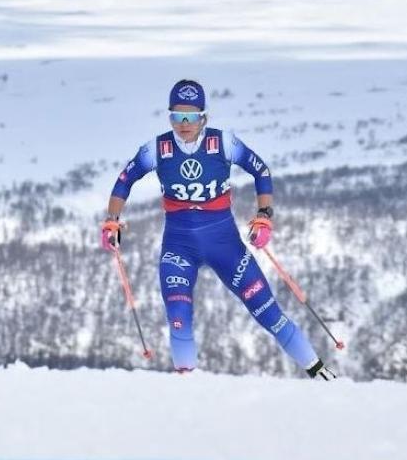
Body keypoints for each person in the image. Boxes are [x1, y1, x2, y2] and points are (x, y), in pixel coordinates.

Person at [100, 79, 337, 379]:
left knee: (268, 313)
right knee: (178, 317)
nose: (183, 124)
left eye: (190, 117)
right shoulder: (157, 149)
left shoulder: (223, 143)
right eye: (176, 116)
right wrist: (112, 220)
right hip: (178, 247)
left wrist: (264, 216)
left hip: (225, 245)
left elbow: (260, 171)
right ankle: (189, 388)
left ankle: (320, 372)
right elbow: (125, 180)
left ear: (204, 117)